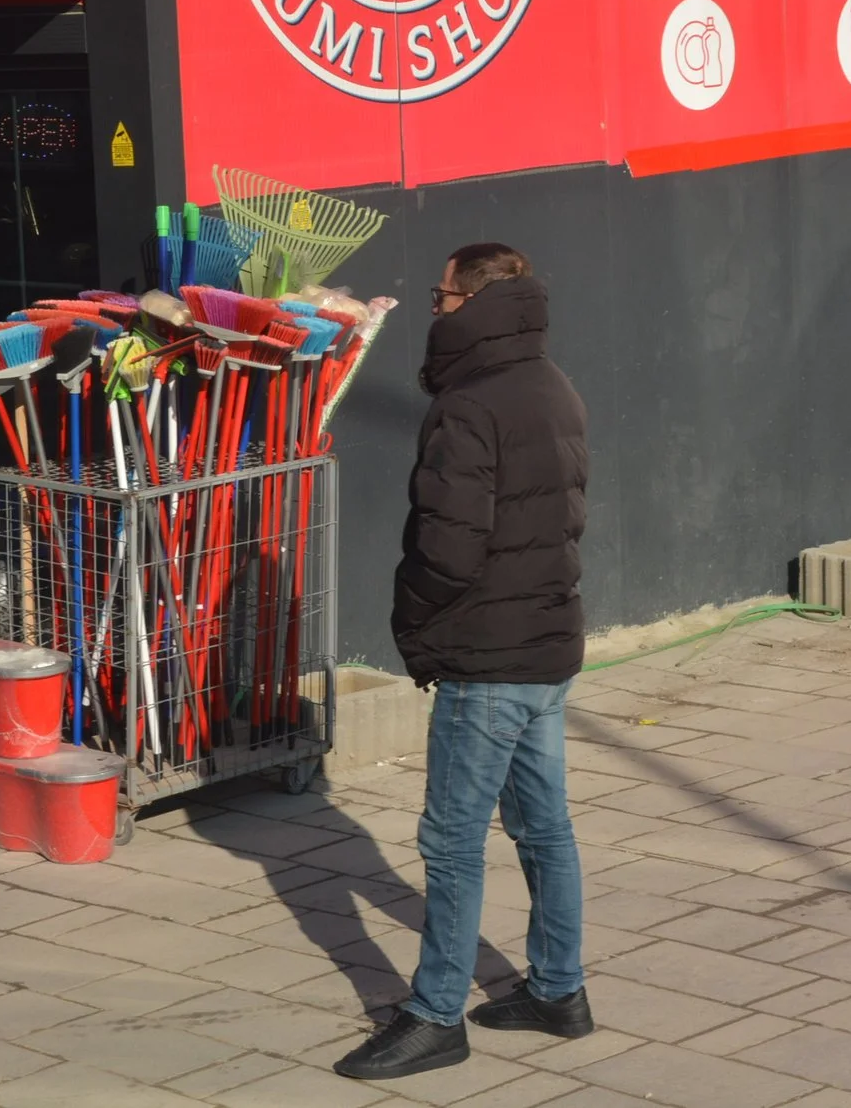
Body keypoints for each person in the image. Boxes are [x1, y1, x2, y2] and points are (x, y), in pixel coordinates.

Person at [334, 243, 593, 1081]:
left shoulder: (468, 406)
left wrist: (413, 621)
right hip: (545, 643)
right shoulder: (552, 384)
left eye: (440, 298)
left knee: (451, 842)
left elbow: (447, 551)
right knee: (544, 829)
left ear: (472, 303)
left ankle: (436, 1014)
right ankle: (558, 992)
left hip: (489, 655)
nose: (433, 310)